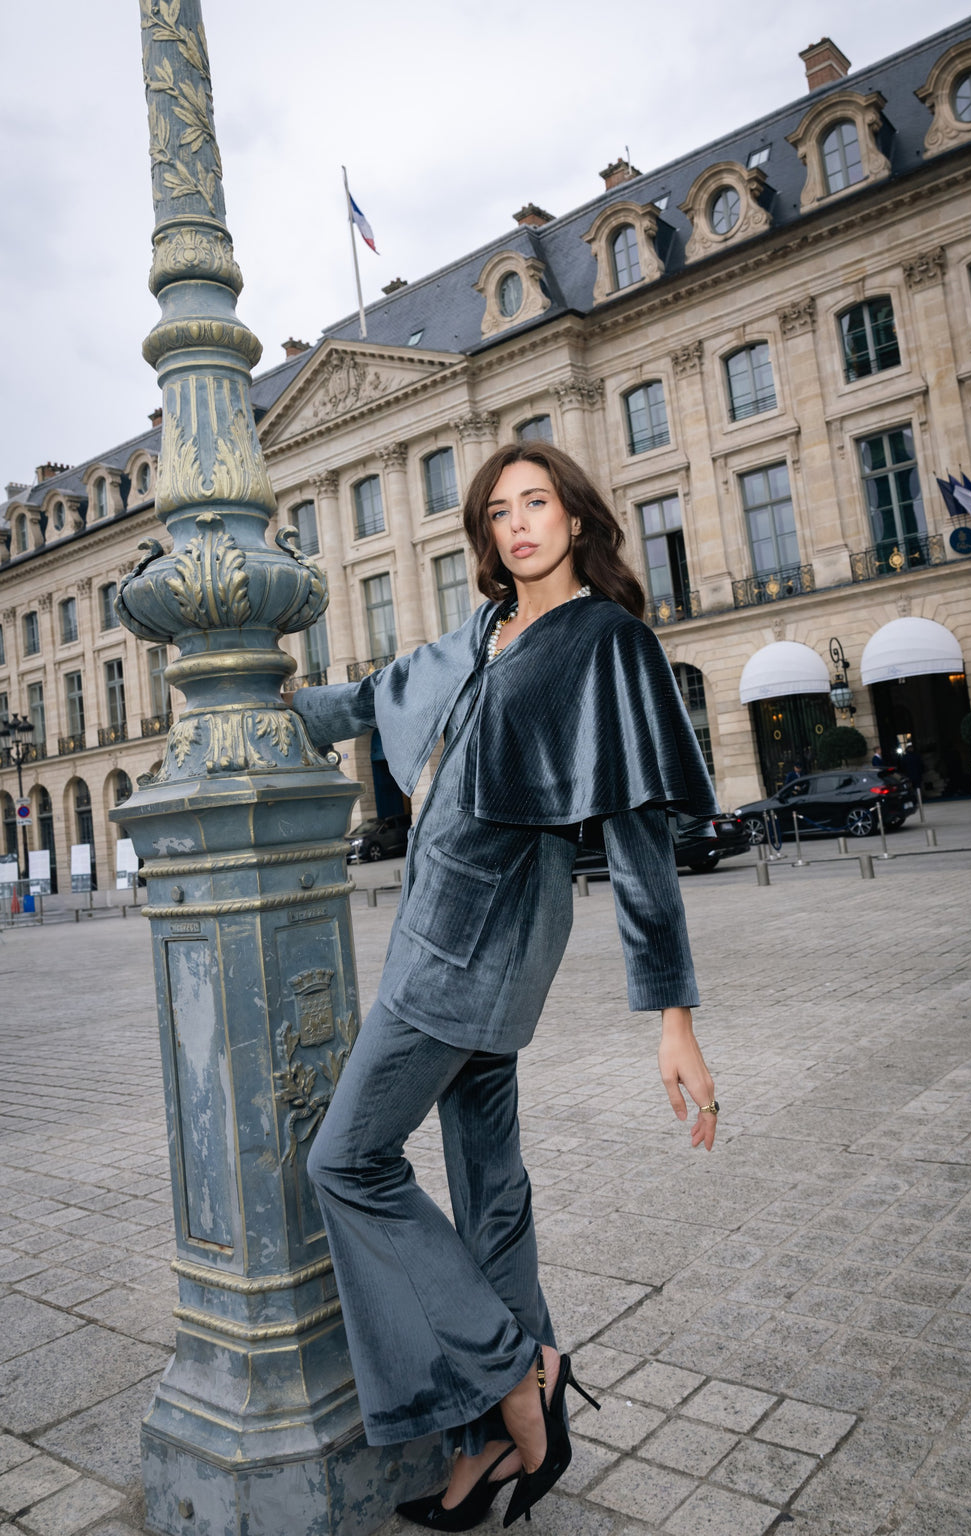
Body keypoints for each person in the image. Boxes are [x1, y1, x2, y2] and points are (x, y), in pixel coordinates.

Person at [289, 443, 718, 1531]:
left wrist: (673, 1019)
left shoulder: (603, 642)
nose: (517, 524)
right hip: (454, 944)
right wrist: (270, 709)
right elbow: (384, 692)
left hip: (464, 956)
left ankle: (511, 1371)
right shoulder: (487, 629)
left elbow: (637, 839)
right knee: (491, 1191)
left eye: (536, 504)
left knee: (346, 1160)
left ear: (575, 517)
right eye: (497, 512)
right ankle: (494, 1446)